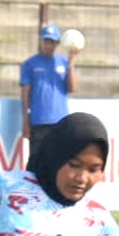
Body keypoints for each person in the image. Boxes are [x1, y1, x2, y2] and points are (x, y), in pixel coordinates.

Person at [20, 23, 78, 161]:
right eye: (46, 41)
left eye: (52, 42)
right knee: (36, 160)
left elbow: (72, 88)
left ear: (58, 43)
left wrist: (71, 63)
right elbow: (25, 93)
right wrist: (25, 121)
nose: (49, 45)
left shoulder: (64, 63)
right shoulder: (30, 64)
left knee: (57, 161)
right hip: (39, 121)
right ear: (41, 41)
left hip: (60, 121)